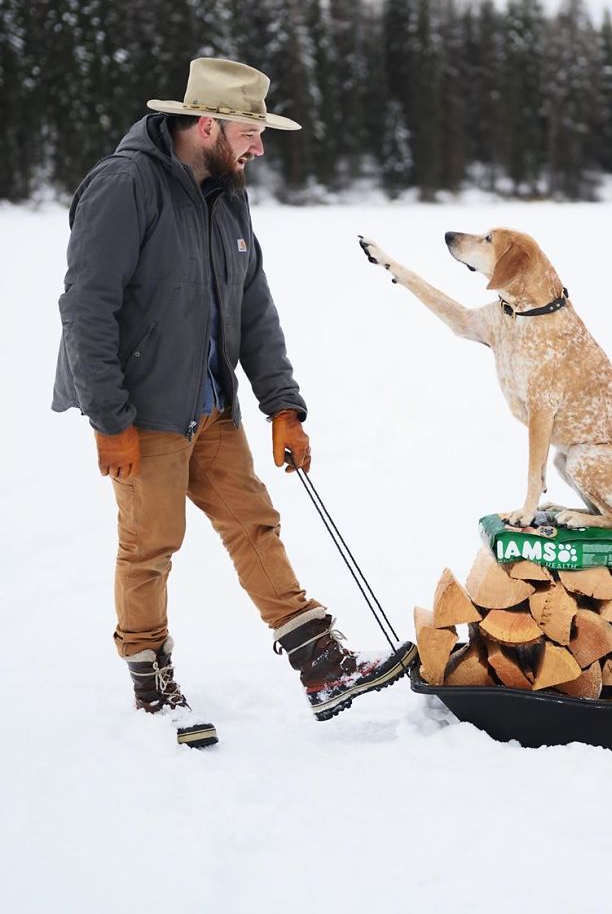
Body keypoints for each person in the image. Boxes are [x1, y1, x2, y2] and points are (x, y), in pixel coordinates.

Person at [52, 57, 414, 741]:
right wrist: (109, 420)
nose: (260, 147)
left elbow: (252, 308)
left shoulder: (228, 193)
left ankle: (321, 663)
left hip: (212, 406)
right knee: (150, 545)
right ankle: (152, 686)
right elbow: (85, 309)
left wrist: (283, 405)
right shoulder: (125, 186)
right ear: (208, 125)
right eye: (251, 132)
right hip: (143, 410)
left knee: (255, 524)